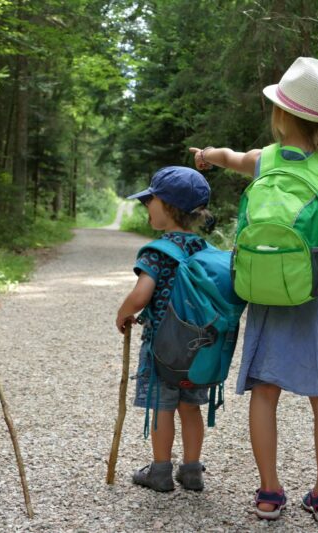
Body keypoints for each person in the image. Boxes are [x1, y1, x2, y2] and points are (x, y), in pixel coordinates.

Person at [189, 57, 318, 525]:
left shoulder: (262, 160)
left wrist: (207, 154)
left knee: (264, 393)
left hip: (267, 290)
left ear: (281, 114)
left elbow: (230, 157)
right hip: (315, 295)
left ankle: (270, 493)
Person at [116, 166, 215, 492]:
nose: (147, 207)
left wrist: (124, 312)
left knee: (162, 407)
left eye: (151, 201)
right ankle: (191, 470)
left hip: (163, 350)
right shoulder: (205, 251)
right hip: (200, 349)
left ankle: (159, 471)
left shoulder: (158, 253)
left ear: (168, 207)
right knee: (191, 407)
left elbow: (142, 294)